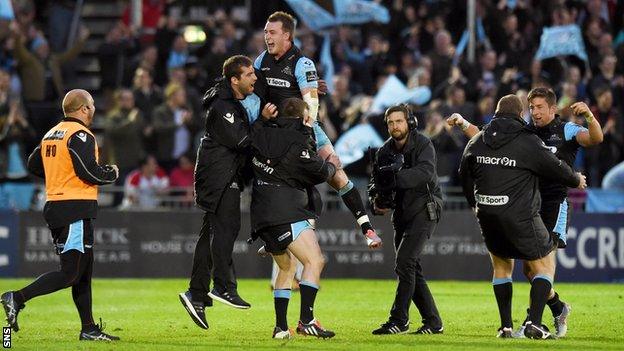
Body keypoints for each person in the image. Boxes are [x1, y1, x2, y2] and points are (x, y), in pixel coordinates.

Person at [448, 87, 602, 337]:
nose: (536, 112)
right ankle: (557, 307)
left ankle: (534, 319)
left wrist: (590, 118)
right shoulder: (525, 131)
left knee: (543, 263)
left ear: (552, 108)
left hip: (555, 203)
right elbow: (486, 139)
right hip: (530, 203)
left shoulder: (566, 130)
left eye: (540, 107)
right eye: (532, 108)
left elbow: (595, 139)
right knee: (531, 270)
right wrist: (464, 124)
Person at [1, 89, 120, 341]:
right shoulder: (80, 134)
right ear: (84, 109)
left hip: (60, 204)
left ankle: (88, 328)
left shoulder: (51, 134)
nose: (94, 110)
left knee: (83, 273)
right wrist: (111, 172)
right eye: (92, 105)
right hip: (73, 207)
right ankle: (17, 298)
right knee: (71, 273)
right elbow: (91, 172)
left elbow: (34, 165)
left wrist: (59, 174)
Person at [253, 11, 380, 245]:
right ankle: (276, 236)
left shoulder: (303, 63)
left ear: (287, 35)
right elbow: (255, 94)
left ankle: (367, 229)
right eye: (265, 32)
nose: (267, 37)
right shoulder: (261, 61)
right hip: (275, 131)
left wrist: (305, 134)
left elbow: (311, 102)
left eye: (272, 32)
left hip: (303, 128)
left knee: (337, 173)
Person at [178, 55, 277, 329]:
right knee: (226, 228)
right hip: (218, 174)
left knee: (212, 233)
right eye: (249, 75)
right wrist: (264, 121)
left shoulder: (230, 101)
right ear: (235, 80)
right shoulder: (223, 106)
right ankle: (223, 286)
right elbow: (243, 140)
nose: (254, 78)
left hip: (223, 172)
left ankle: (196, 294)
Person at [250, 97, 340, 339]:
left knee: (287, 267)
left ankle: (280, 327)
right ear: (303, 117)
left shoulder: (262, 133)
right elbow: (318, 171)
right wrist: (331, 164)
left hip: (260, 215)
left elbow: (253, 138)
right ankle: (307, 321)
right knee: (315, 261)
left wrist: (261, 120)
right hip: (287, 212)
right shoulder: (299, 142)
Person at [368, 104, 443, 335]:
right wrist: (377, 201)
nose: (394, 126)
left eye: (399, 121)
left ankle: (399, 320)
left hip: (425, 207)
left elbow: (425, 173)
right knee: (410, 267)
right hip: (401, 212)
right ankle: (433, 322)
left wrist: (393, 179)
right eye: (390, 122)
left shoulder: (423, 144)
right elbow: (375, 184)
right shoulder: (383, 151)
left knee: (404, 263)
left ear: (410, 122)